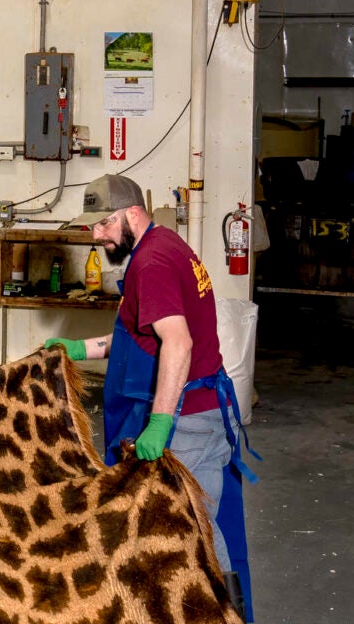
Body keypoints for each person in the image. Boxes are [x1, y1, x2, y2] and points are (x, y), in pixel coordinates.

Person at [45, 173, 242, 523]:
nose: (97, 235)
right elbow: (137, 337)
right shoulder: (163, 243)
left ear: (133, 214)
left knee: (190, 535)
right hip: (202, 410)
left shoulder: (151, 264)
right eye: (93, 225)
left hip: (189, 420)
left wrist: (160, 422)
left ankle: (215, 581)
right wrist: (78, 349)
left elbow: (178, 343)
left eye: (105, 223)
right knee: (189, 532)